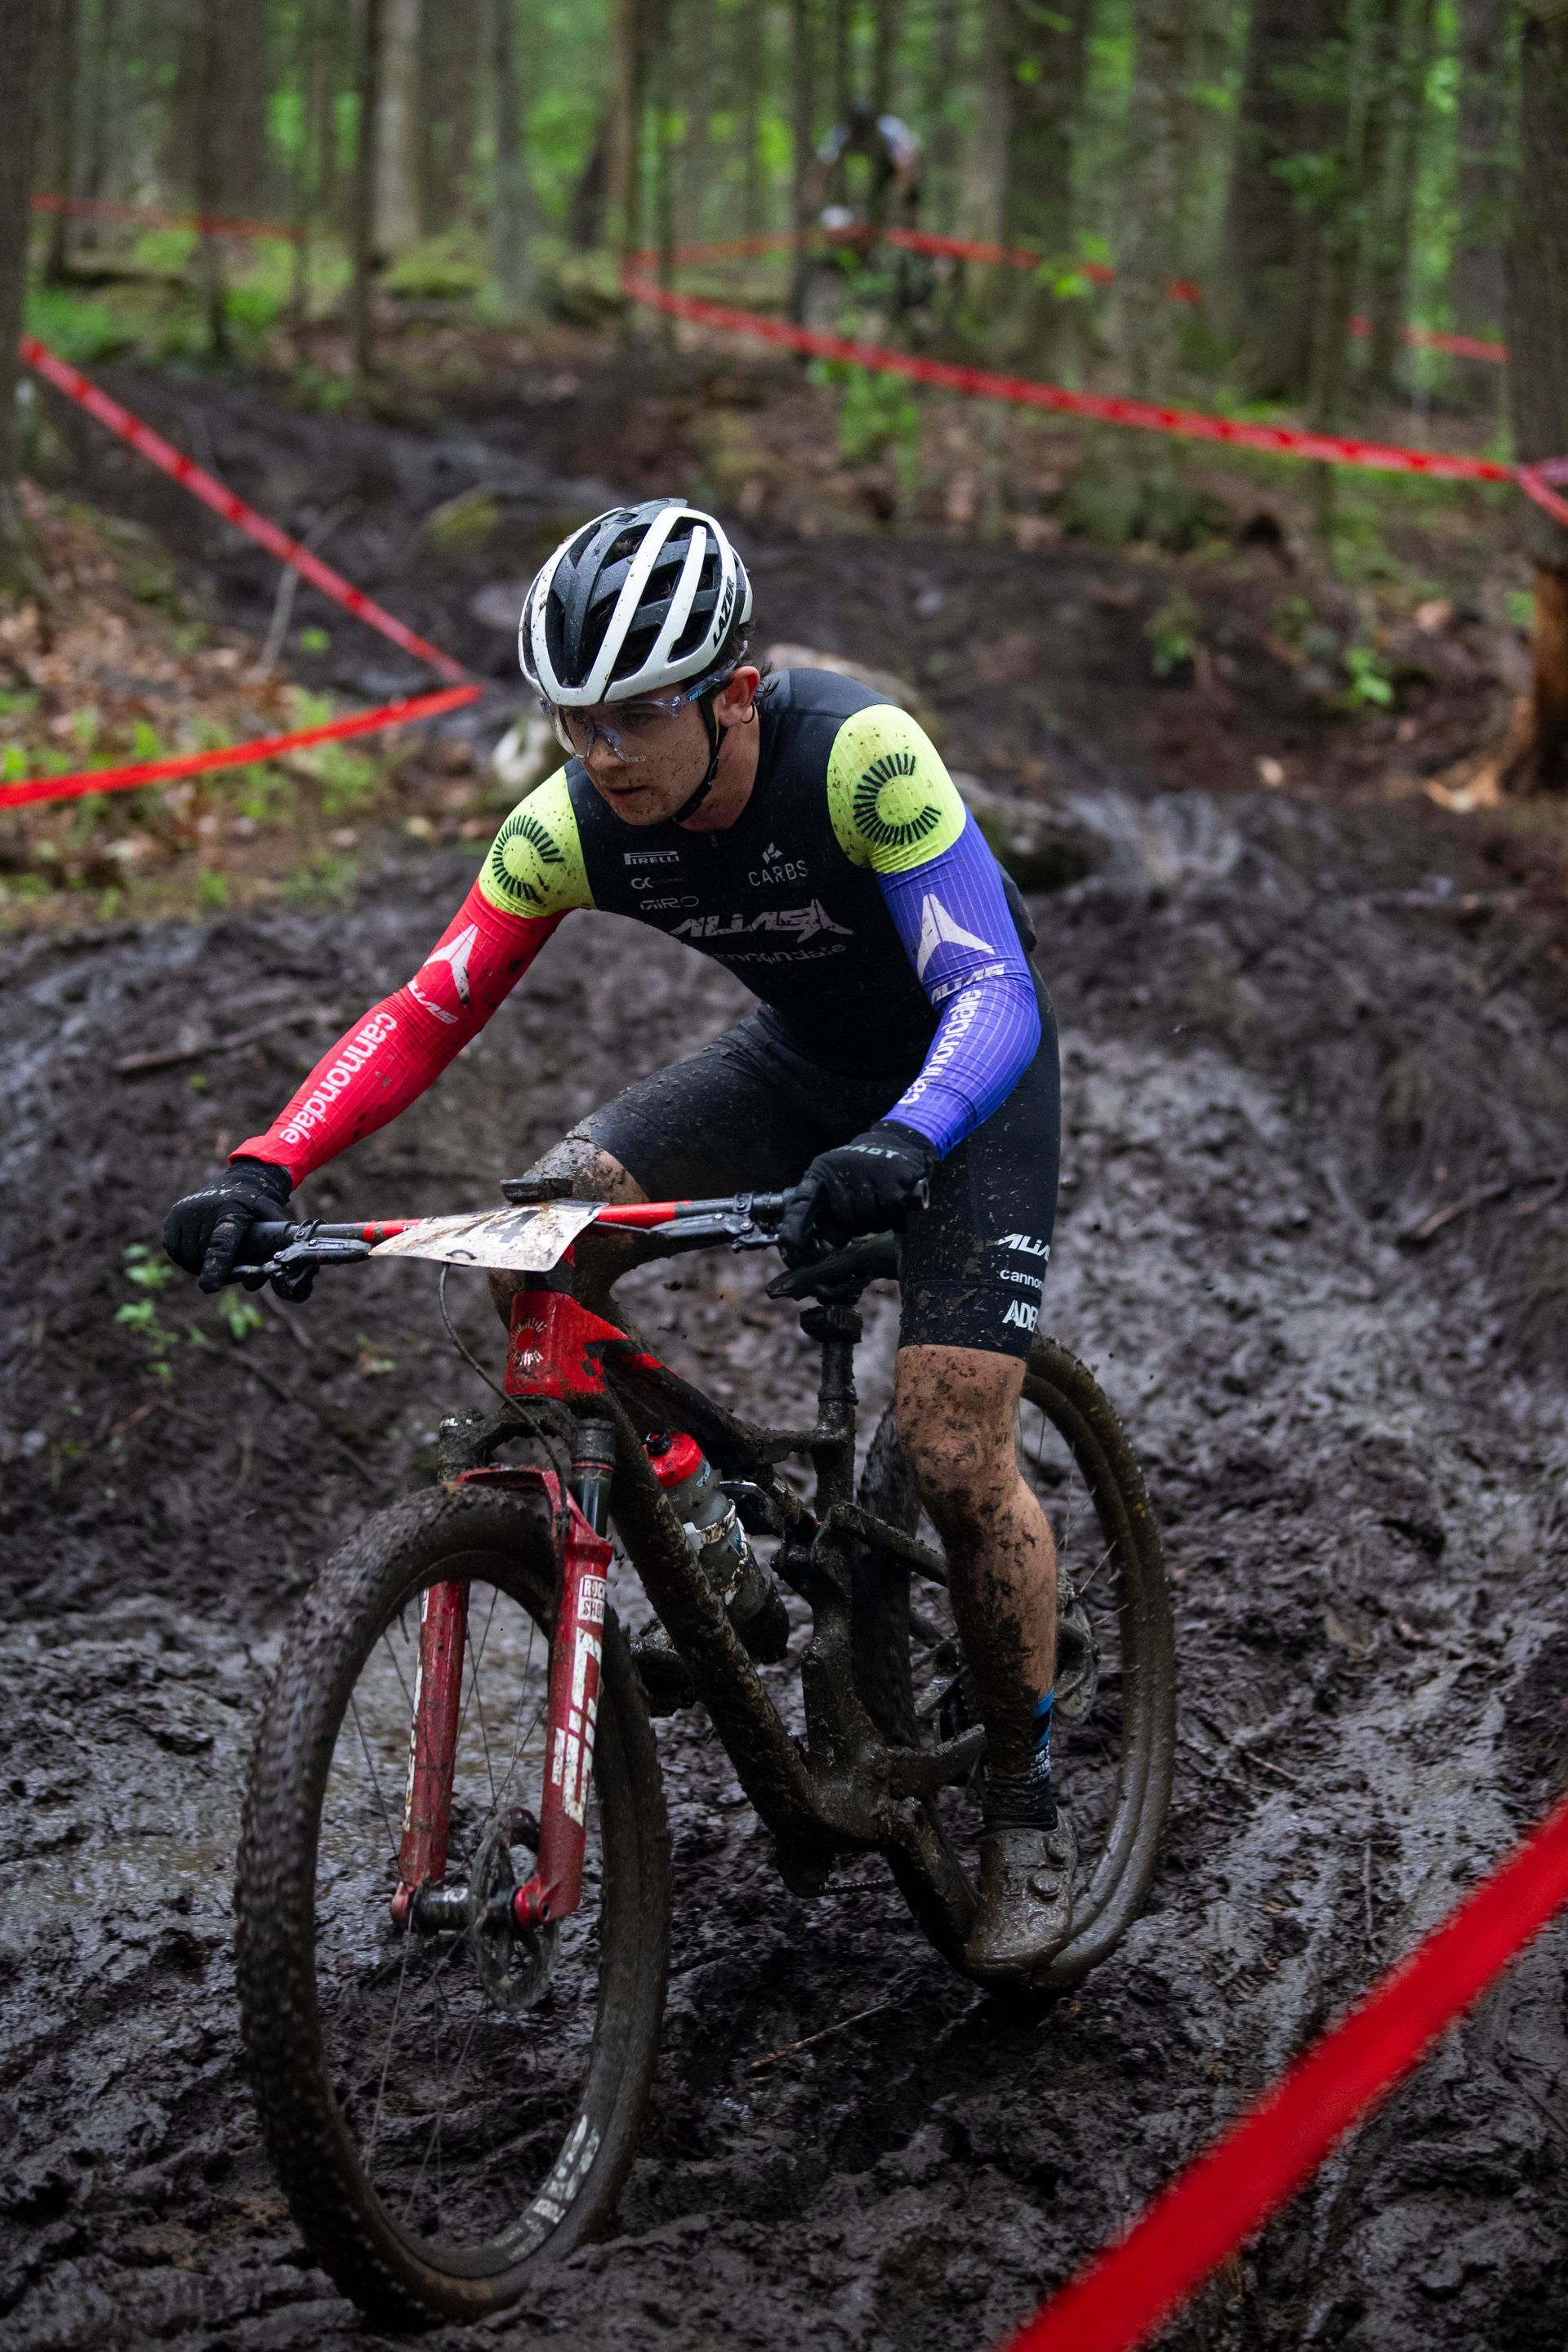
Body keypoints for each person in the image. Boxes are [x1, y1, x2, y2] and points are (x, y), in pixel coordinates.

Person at [163, 500, 1069, 1984]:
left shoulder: (859, 755)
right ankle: (720, 1565)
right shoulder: (568, 820)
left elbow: (992, 987)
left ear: (731, 693)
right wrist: (269, 1163)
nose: (602, 754)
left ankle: (1027, 1806)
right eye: (573, 720)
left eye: (637, 717)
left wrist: (906, 1142)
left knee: (955, 1436)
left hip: (966, 1073)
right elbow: (426, 1008)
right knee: (541, 1229)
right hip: (794, 1065)